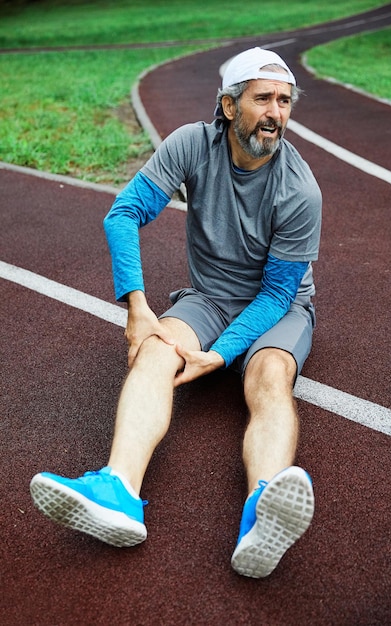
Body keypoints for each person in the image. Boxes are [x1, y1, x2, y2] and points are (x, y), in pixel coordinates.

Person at [30, 47, 322, 579]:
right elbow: (123, 215)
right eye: (263, 99)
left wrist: (222, 354)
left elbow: (278, 295)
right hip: (208, 296)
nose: (275, 113)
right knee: (154, 350)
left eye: (284, 101)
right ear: (230, 106)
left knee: (269, 375)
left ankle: (263, 511)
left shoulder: (300, 190)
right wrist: (138, 309)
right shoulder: (191, 143)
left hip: (277, 307)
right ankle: (118, 491)